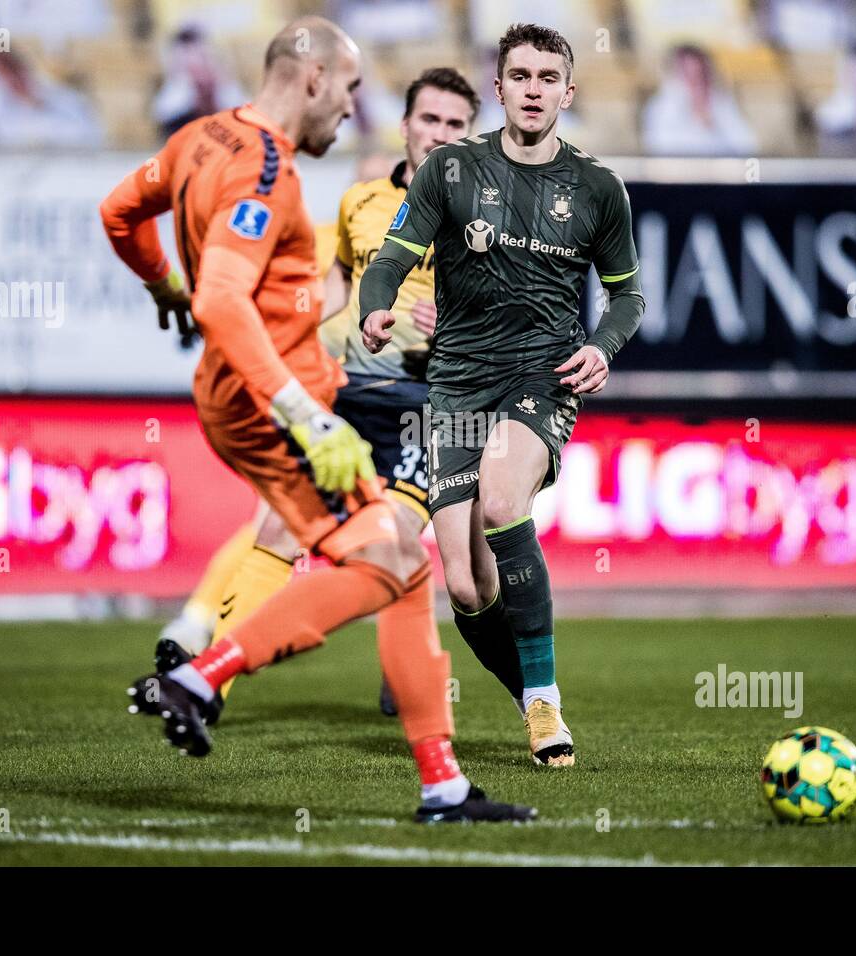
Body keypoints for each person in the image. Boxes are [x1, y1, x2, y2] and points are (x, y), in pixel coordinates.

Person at [99, 16, 533, 823]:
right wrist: (308, 413)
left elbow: (119, 210)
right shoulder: (269, 171)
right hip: (283, 403)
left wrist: (162, 285)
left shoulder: (199, 139)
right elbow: (225, 298)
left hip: (247, 393)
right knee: (385, 563)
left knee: (401, 562)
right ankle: (199, 674)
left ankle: (442, 785)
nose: (352, 107)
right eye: (350, 88)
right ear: (311, 79)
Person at [156, 68, 498, 724]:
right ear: (405, 127)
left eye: (457, 125)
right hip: (351, 396)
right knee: (280, 526)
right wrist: (275, 331)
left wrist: (460, 327)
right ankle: (206, 692)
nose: (441, 134)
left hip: (430, 408)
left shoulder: (490, 216)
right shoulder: (361, 202)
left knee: (400, 550)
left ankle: (433, 676)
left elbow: (518, 318)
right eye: (430, 120)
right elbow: (336, 286)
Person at [358, 22, 645, 767]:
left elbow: (627, 298)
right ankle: (530, 693)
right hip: (456, 381)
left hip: (540, 377)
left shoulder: (596, 188)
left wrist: (601, 346)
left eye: (549, 78)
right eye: (521, 76)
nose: (534, 89)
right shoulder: (450, 170)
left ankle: (546, 706)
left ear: (567, 92)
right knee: (464, 582)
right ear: (500, 87)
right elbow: (392, 257)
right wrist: (375, 306)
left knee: (499, 499)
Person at [642, 44, 757, 157]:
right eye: (688, 75)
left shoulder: (721, 102)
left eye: (700, 74)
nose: (695, 82)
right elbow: (660, 146)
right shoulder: (660, 107)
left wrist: (712, 122)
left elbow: (747, 145)